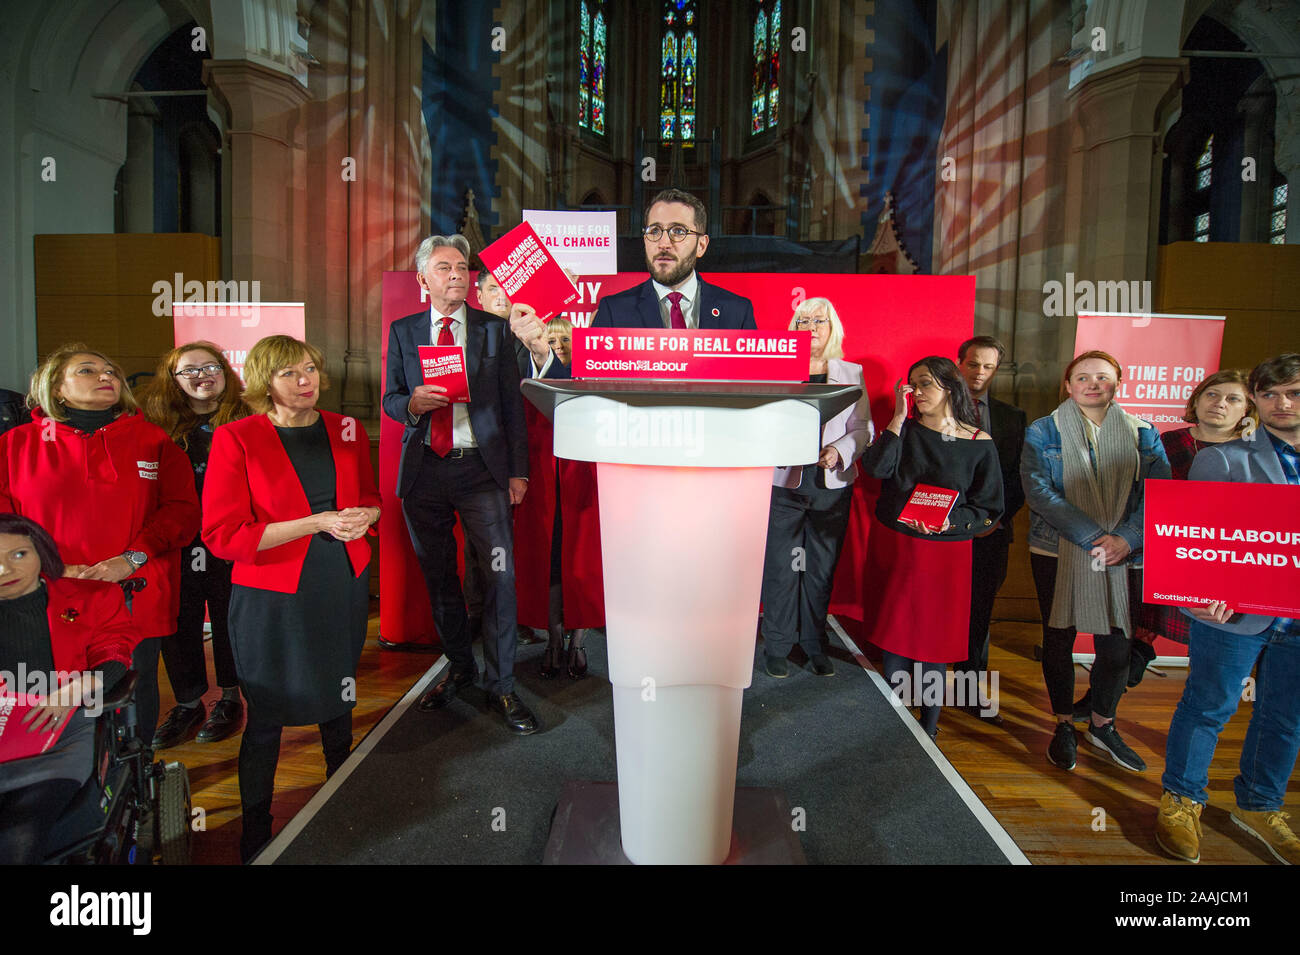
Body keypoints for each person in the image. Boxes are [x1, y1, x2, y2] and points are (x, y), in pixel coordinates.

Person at [203, 335, 380, 862]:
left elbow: (369, 497)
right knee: (267, 714)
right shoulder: (236, 437)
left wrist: (364, 517)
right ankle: (255, 826)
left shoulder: (345, 428)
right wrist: (315, 522)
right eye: (290, 373)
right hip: (271, 592)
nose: (306, 381)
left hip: (340, 581)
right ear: (264, 382)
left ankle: (338, 790)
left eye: (310, 369)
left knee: (338, 694)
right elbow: (223, 535)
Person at [0, 344, 200, 747]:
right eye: (88, 370)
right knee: (43, 696)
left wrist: (130, 559)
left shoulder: (153, 440)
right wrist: (49, 567)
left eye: (111, 370)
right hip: (42, 595)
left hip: (135, 591)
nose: (106, 375)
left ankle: (130, 779)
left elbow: (181, 512)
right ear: (56, 388)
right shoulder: (15, 444)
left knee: (130, 692)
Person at [383, 234, 539, 735]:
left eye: (463, 267)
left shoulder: (494, 331)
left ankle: (503, 686)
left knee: (500, 578)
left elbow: (513, 407)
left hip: (482, 471)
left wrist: (518, 471)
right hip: (425, 468)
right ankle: (460, 667)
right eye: (445, 266)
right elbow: (390, 398)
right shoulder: (404, 331)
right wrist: (411, 405)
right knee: (439, 577)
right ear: (422, 278)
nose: (457, 274)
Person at [1155, 353, 1300, 865]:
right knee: (1208, 707)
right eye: (1270, 393)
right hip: (1232, 614)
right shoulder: (1223, 458)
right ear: (1256, 402)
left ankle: (1260, 806)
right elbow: (1200, 540)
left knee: (1285, 716)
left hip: (1298, 620)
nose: (1282, 404)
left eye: (1294, 393)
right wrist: (1200, 595)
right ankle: (1182, 800)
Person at [1022, 350, 1170, 774]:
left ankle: (1103, 723)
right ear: (1067, 386)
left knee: (1118, 644)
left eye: (1102, 377)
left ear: (1117, 385)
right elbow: (1038, 491)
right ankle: (1064, 723)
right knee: (1058, 636)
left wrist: (1125, 539)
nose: (1092, 384)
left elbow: (1159, 495)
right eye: (1082, 377)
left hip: (1126, 554)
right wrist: (1093, 538)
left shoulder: (1144, 433)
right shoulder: (1042, 431)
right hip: (1058, 549)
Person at [860, 357, 1004, 738]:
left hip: (948, 554)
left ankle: (930, 722)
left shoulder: (979, 443)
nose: (917, 392)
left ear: (949, 387)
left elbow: (990, 507)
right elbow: (874, 470)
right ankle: (890, 718)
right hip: (900, 547)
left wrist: (950, 522)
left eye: (925, 384)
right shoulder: (904, 431)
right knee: (897, 632)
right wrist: (896, 418)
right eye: (911, 385)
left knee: (935, 641)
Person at [0, 514, 136, 863]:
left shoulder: (93, 598)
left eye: (18, 554)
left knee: (18, 833)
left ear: (41, 554)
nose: (4, 569)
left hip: (60, 734)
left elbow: (114, 652)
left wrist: (76, 688)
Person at [510, 188, 756, 374]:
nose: (663, 242)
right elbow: (584, 391)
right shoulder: (614, 310)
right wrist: (542, 352)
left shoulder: (737, 311)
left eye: (678, 231)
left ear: (702, 244)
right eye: (654, 231)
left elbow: (754, 389)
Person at [140, 342, 251, 747]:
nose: (202, 375)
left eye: (210, 367)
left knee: (228, 618)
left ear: (225, 371)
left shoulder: (249, 418)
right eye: (189, 370)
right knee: (178, 621)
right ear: (173, 379)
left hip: (231, 536)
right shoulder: (155, 425)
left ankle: (229, 699)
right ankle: (188, 704)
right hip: (175, 539)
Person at [760, 297, 872, 678]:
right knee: (782, 567)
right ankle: (776, 645)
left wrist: (839, 451)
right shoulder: (776, 369)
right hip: (785, 482)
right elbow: (761, 422)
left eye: (818, 321)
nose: (810, 327)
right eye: (802, 320)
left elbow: (863, 428)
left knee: (819, 569)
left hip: (831, 485)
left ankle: (813, 644)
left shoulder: (851, 372)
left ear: (832, 327)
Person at [1128, 370, 1255, 658]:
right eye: (1212, 394)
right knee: (1136, 635)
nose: (1220, 403)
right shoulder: (1165, 442)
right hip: (1165, 554)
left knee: (1214, 644)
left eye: (1232, 398)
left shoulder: (1255, 453)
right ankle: (1111, 692)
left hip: (1226, 561)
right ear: (1196, 400)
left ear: (1246, 409)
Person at [511, 313, 604, 678]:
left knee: (584, 564)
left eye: (566, 341)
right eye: (553, 342)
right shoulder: (530, 377)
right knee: (548, 564)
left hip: (585, 481)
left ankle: (578, 643)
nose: (559, 348)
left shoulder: (594, 378)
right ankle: (553, 639)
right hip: (543, 482)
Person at [953, 336, 1026, 726]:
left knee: (980, 613)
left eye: (988, 367)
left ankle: (968, 690)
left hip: (992, 533)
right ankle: (918, 686)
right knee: (937, 607)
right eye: (974, 364)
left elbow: (1018, 479)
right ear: (960, 364)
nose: (980, 373)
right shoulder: (935, 410)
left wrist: (991, 521)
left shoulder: (1013, 417)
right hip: (941, 531)